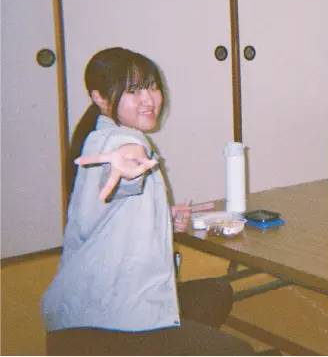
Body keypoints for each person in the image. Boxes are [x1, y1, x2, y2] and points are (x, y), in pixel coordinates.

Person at [41, 48, 260, 357]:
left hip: (98, 305)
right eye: (133, 91)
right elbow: (122, 163)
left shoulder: (108, 134)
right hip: (104, 322)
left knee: (215, 293)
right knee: (239, 352)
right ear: (99, 97)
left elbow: (112, 208)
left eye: (152, 86)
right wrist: (127, 160)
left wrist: (162, 216)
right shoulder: (113, 141)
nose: (149, 99)